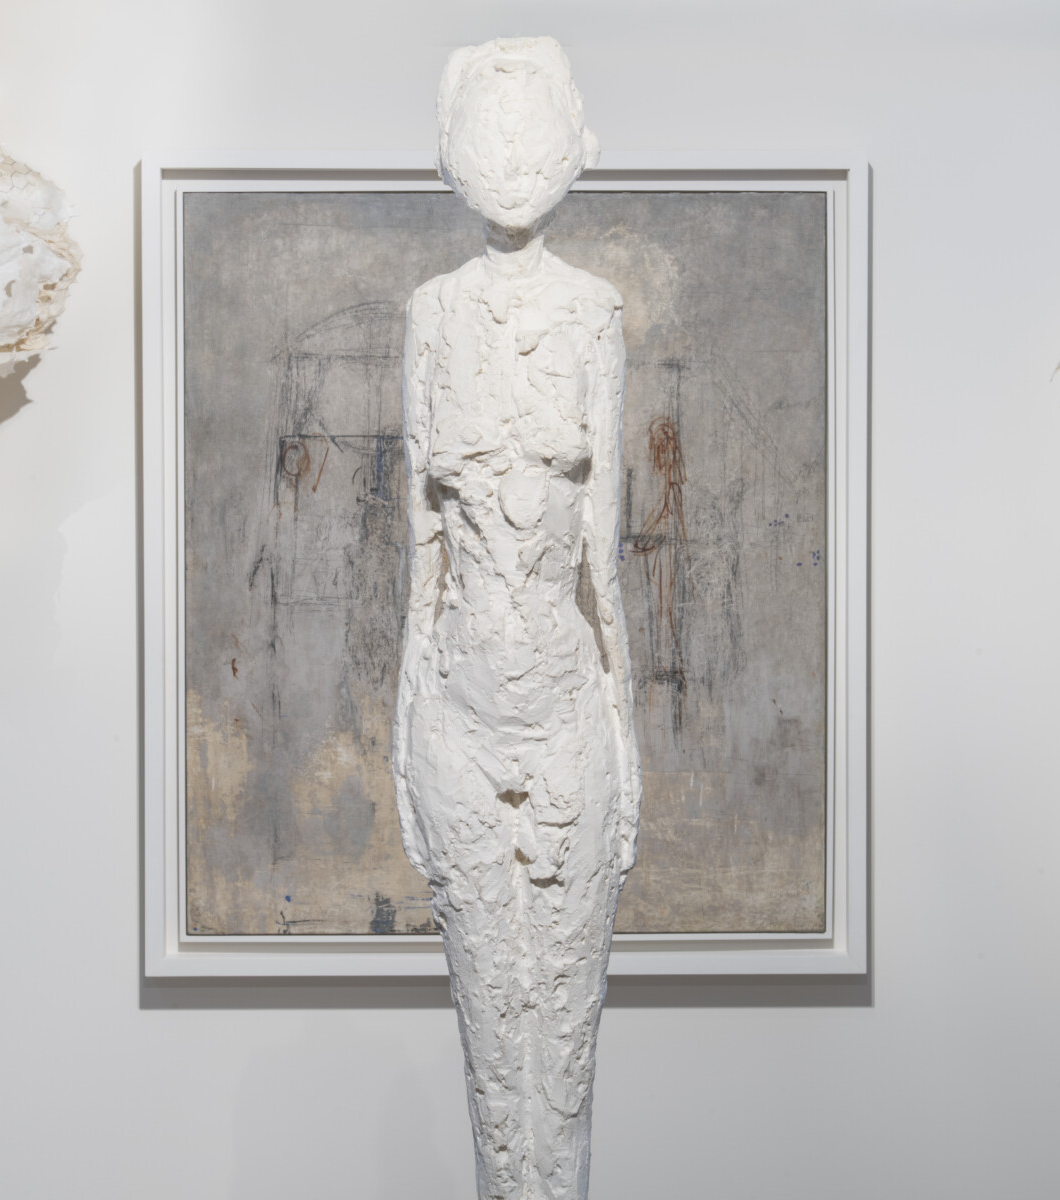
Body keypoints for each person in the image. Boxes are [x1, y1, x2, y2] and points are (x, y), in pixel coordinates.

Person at [390, 36, 641, 1200]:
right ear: (451, 153)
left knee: (567, 1035)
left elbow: (606, 567)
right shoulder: (431, 315)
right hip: (457, 709)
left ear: (572, 147)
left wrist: (627, 758)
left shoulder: (594, 313)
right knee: (491, 1029)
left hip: (565, 708)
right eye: (486, 134)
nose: (508, 156)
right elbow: (420, 560)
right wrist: (403, 749)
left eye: (529, 130)